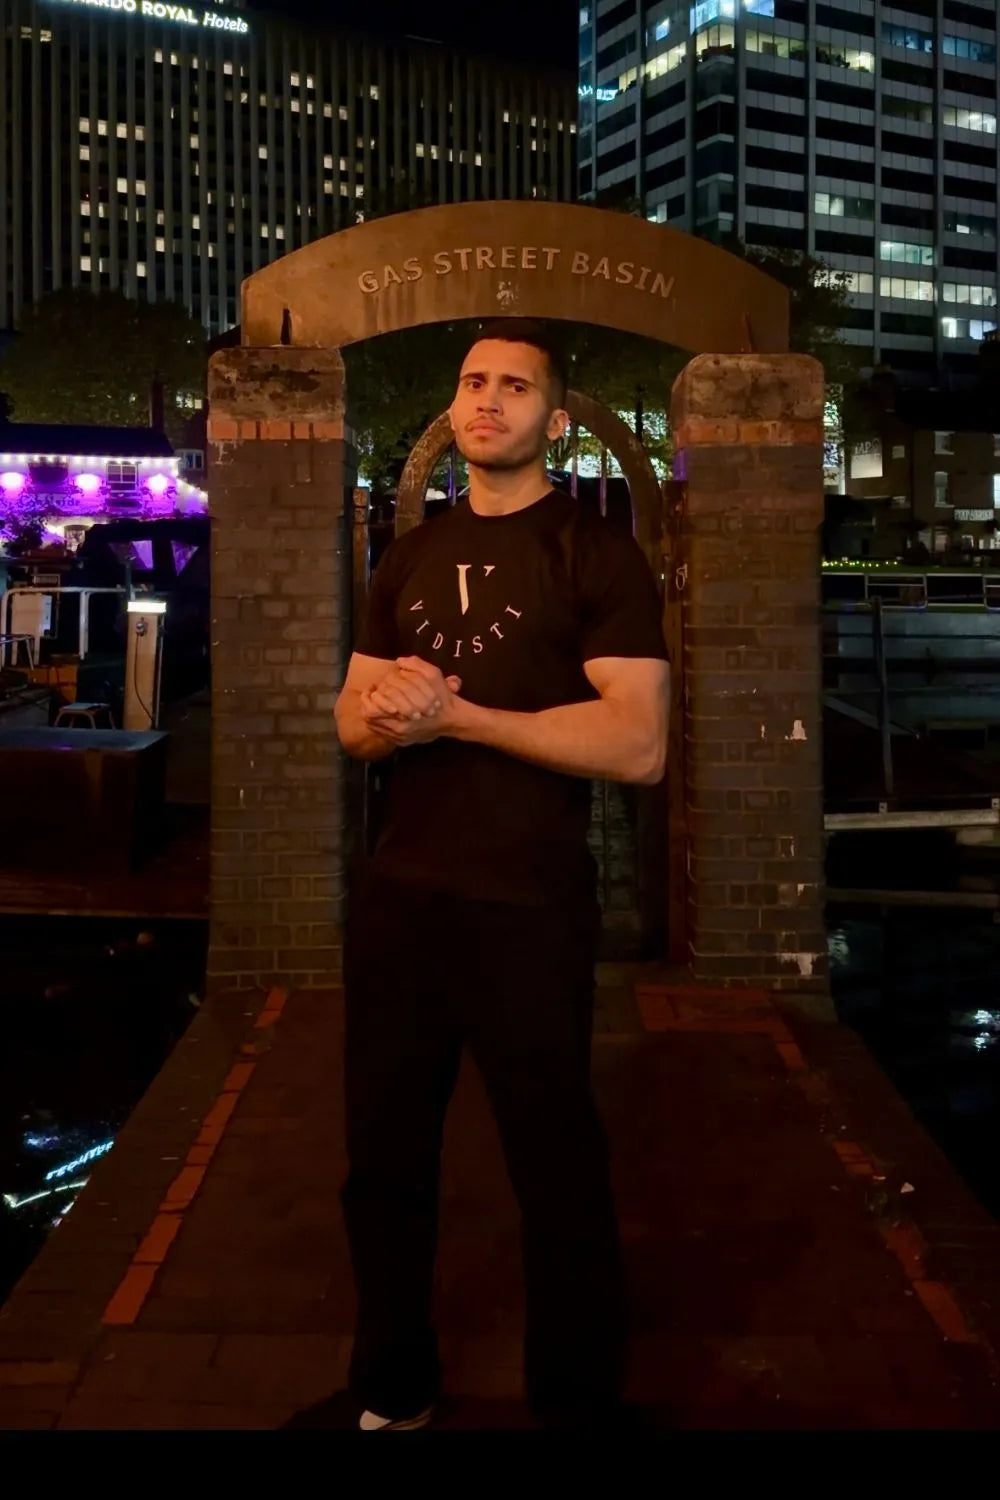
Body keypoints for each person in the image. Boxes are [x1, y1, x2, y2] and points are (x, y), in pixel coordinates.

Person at [334, 318, 670, 1432]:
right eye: (474, 381)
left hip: (528, 902)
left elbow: (639, 744)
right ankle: (393, 1387)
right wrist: (391, 716)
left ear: (554, 421)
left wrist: (458, 716)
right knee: (382, 1159)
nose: (488, 399)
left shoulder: (594, 551)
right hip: (402, 897)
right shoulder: (410, 553)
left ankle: (573, 1400)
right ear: (452, 408)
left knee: (553, 1162)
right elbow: (351, 723)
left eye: (515, 386)